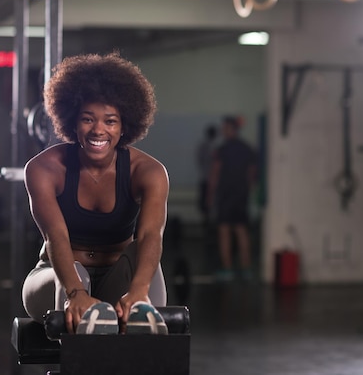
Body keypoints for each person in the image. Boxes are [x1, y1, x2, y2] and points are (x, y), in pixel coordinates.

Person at [22, 52, 169, 335]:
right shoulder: (43, 169)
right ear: (72, 121)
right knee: (75, 277)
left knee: (145, 265)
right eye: (88, 119)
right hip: (56, 277)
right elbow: (56, 237)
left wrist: (138, 291)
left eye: (110, 121)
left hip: (117, 275)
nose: (98, 130)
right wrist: (75, 293)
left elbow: (151, 235)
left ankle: (143, 319)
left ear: (124, 125)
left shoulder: (149, 172)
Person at [208, 115, 257, 281]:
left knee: (225, 231)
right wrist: (246, 191)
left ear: (232, 129)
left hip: (226, 195)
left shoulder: (222, 150)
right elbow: (251, 174)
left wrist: (210, 195)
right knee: (241, 230)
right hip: (241, 195)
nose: (223, 131)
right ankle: (246, 269)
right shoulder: (247, 148)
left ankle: (227, 269)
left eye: (226, 128)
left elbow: (215, 174)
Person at [195, 124, 218, 230]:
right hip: (214, 181)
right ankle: (211, 229)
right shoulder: (217, 147)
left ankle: (208, 228)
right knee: (209, 207)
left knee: (206, 208)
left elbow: (200, 161)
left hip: (206, 180)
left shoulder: (204, 147)